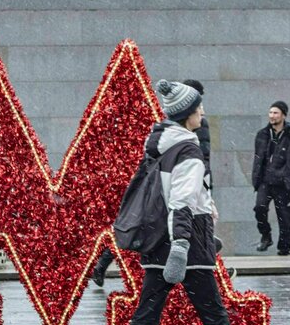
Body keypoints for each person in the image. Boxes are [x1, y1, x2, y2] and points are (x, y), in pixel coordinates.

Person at [113, 80, 275, 325]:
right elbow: (182, 202)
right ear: (187, 113)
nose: (202, 111)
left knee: (145, 316)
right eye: (198, 107)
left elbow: (178, 195)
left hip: (159, 243)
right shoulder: (187, 148)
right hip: (184, 248)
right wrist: (184, 244)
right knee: (215, 316)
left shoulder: (162, 146)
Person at [91, 78, 213, 288]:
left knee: (153, 298)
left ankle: (102, 264)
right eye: (199, 106)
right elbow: (193, 174)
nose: (202, 111)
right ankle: (103, 263)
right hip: (181, 202)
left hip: (162, 211)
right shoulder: (187, 137)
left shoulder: (163, 134)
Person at [251, 101, 290, 256]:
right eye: (270, 113)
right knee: (259, 208)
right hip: (265, 180)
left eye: (276, 113)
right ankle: (266, 235)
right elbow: (258, 158)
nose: (272, 116)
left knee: (284, 216)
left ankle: (284, 247)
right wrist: (256, 177)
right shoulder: (262, 135)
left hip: (284, 182)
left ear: (283, 115)